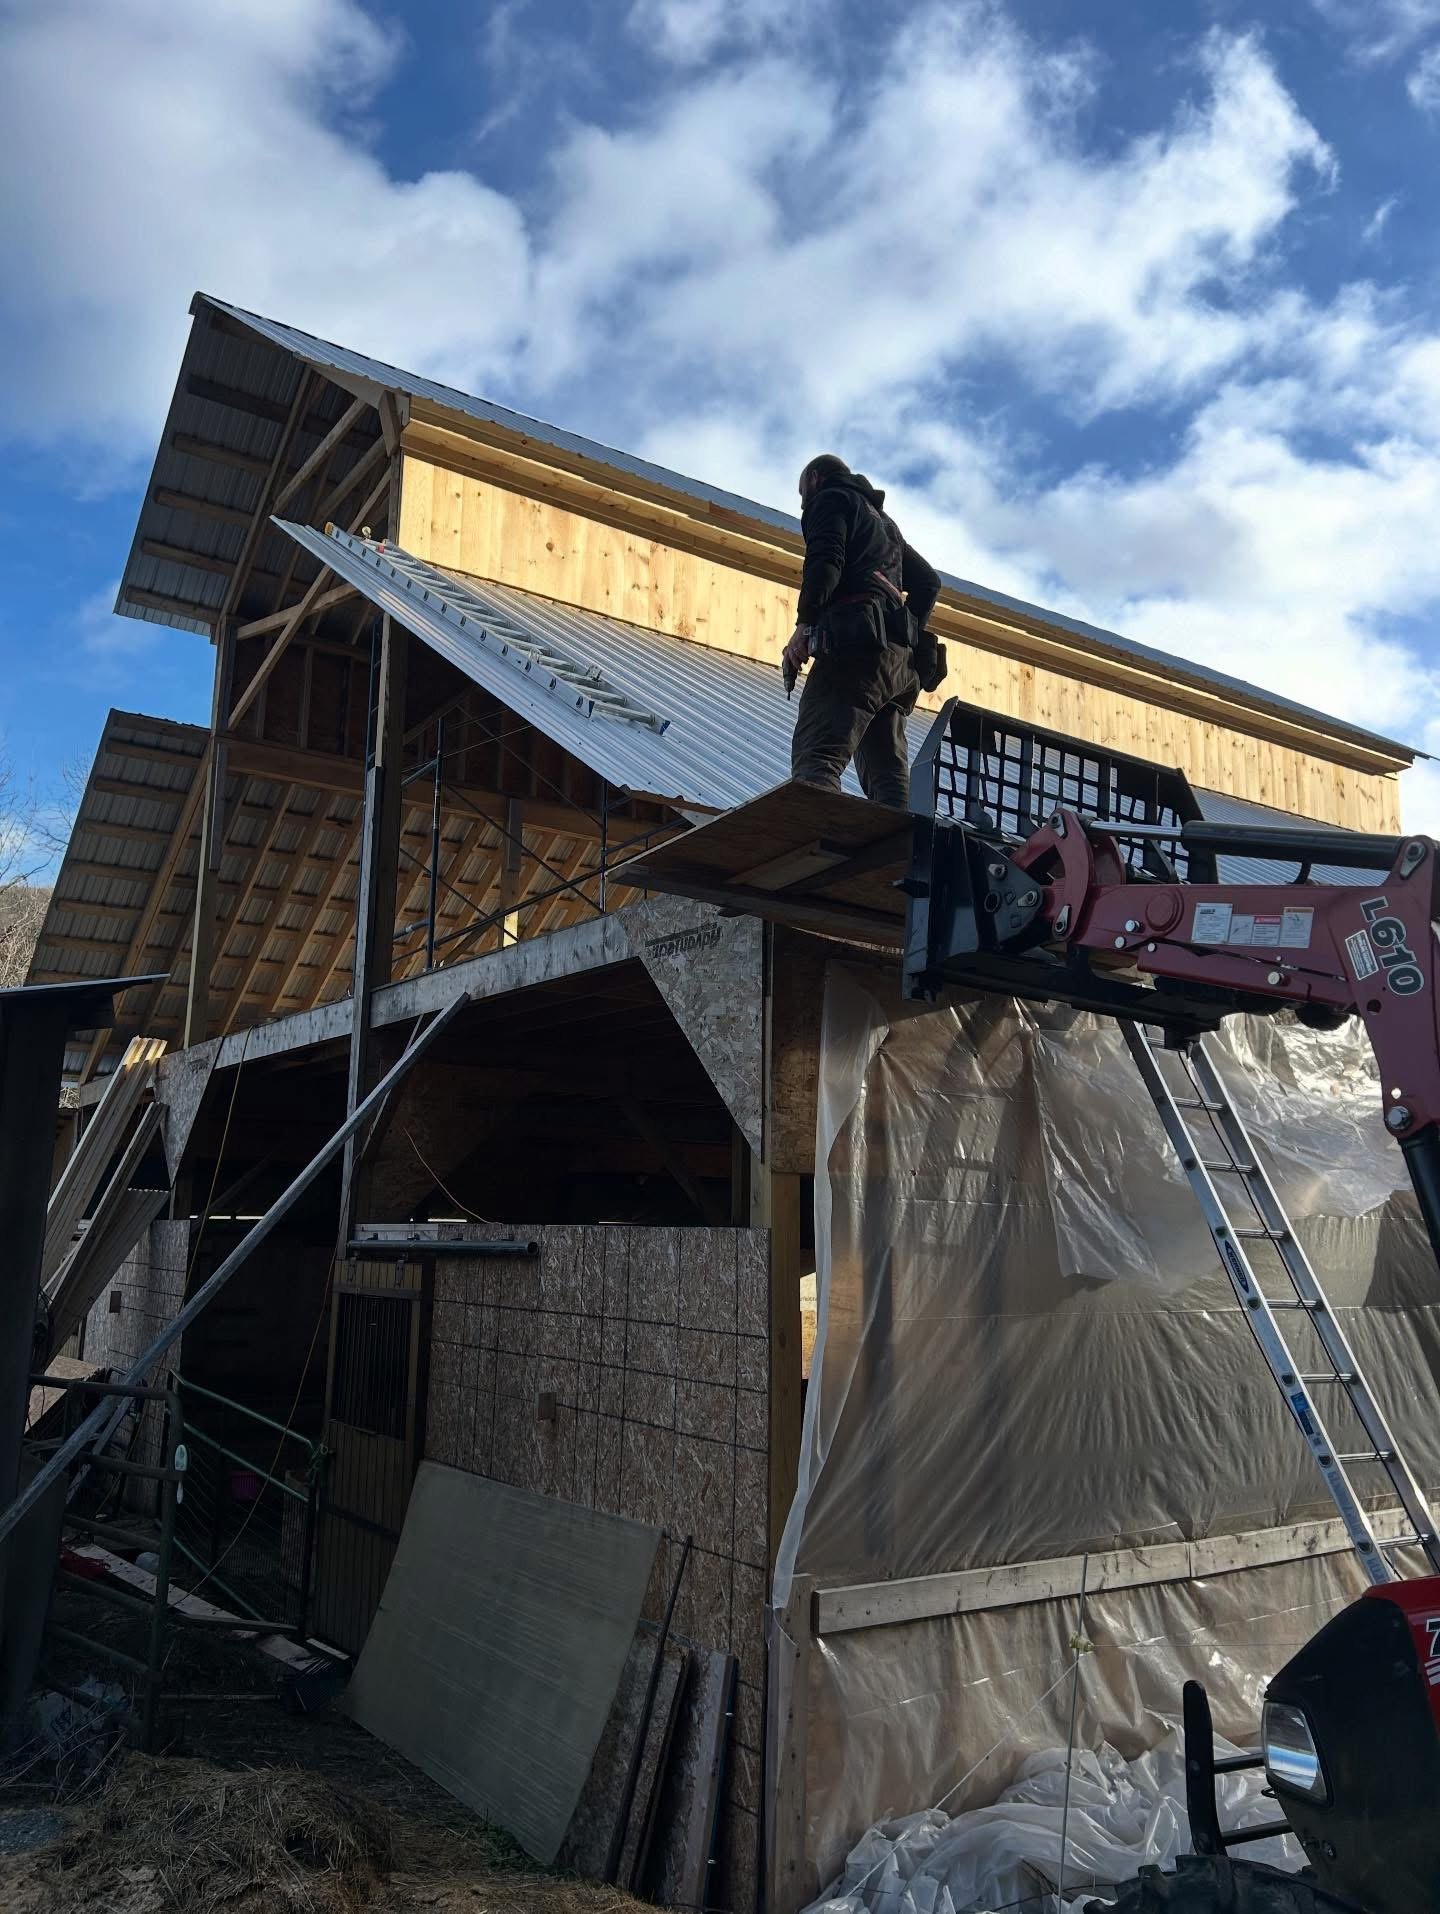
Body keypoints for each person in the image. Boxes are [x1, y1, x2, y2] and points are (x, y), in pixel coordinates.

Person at [784, 454, 941, 808]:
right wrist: (904, 628)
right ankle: (902, 843)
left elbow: (826, 562)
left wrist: (804, 624)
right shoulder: (886, 524)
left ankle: (817, 838)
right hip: (897, 669)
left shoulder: (832, 498)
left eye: (802, 493)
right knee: (890, 782)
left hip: (855, 652)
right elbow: (929, 583)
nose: (803, 504)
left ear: (815, 478)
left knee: (816, 758)